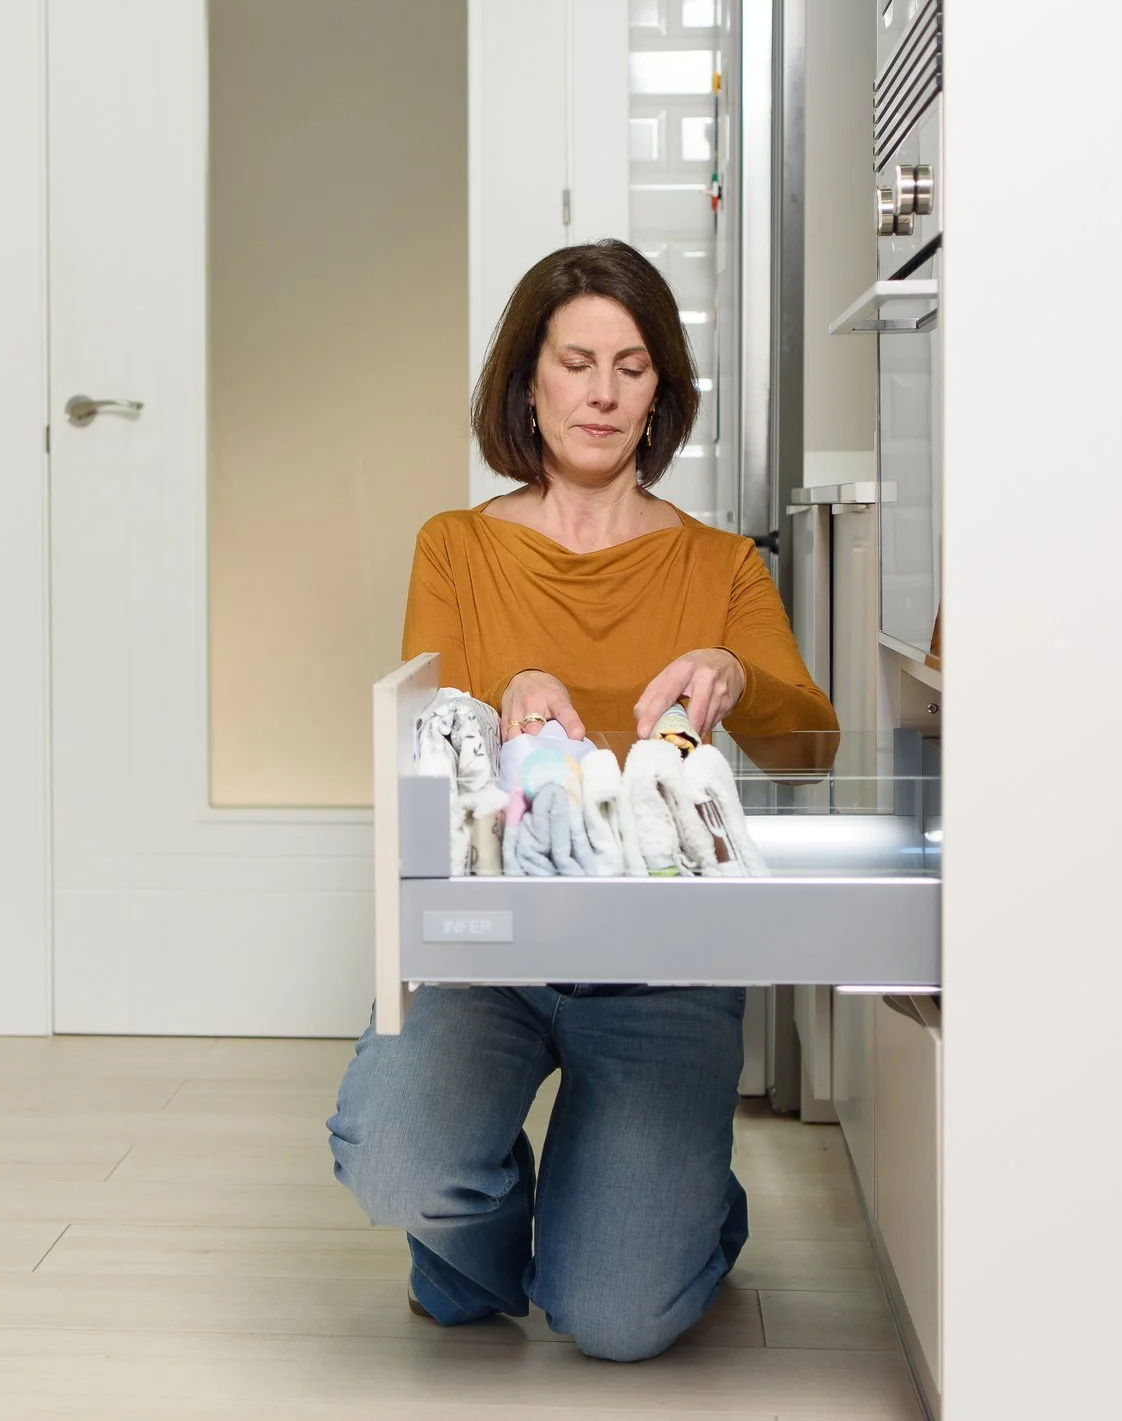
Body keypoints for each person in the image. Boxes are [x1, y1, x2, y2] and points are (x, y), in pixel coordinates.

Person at [326, 239, 838, 1362]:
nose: (602, 392)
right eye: (575, 363)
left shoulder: (721, 566)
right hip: (491, 954)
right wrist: (505, 690)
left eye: (631, 366)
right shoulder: (457, 546)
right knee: (398, 1161)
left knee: (614, 1318)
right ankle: (493, 1240)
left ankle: (670, 1204)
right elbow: (432, 744)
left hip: (666, 965)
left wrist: (737, 673)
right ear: (528, 383)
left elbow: (807, 746)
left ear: (661, 394)